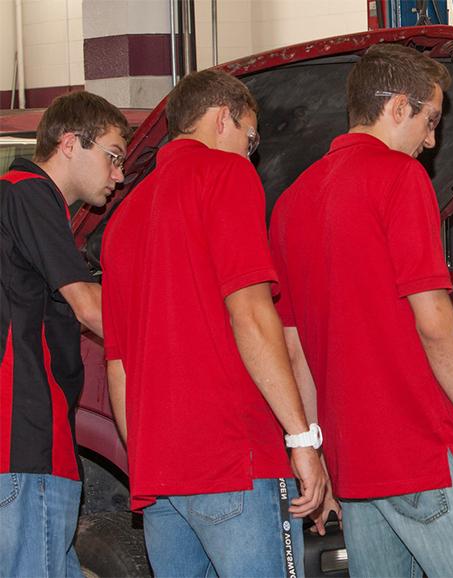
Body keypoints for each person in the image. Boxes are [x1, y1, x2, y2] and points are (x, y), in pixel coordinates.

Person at [269, 44, 453, 578]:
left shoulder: (292, 202)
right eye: (430, 120)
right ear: (397, 107)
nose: (432, 140)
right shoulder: (399, 177)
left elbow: (296, 350)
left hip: (357, 469)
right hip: (423, 455)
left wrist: (320, 454)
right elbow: (433, 322)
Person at [100, 69, 325, 577]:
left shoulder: (122, 219)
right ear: (223, 118)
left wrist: (149, 458)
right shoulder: (226, 175)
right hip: (231, 459)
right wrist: (301, 439)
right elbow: (250, 314)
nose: (251, 153)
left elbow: (119, 365)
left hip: (160, 477)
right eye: (251, 138)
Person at [0, 91, 128, 577]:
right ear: (71, 143)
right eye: (113, 156)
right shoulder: (28, 193)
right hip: (26, 443)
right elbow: (89, 307)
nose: (118, 174)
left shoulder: (18, 202)